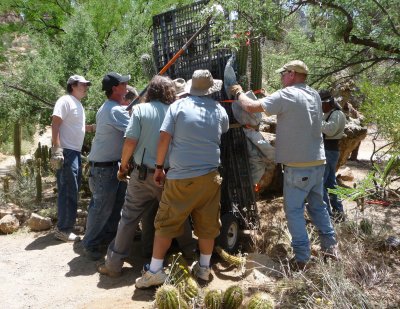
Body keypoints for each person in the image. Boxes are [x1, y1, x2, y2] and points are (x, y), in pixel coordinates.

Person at [229, 60, 337, 270]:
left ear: (291, 74)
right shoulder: (314, 94)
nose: (281, 78)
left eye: (283, 74)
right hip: (318, 162)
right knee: (318, 207)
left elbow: (251, 106)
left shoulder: (287, 94)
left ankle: (302, 258)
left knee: (294, 211)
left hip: (298, 166)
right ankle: (330, 249)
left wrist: (238, 93)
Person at [135, 69, 229, 289]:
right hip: (210, 177)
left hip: (181, 177)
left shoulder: (177, 107)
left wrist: (159, 167)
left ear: (191, 87)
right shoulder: (218, 109)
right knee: (207, 224)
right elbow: (222, 130)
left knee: (166, 224)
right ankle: (204, 269)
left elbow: (164, 138)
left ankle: (155, 271)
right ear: (210, 90)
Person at [97, 75, 177, 277]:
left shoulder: (140, 110)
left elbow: (130, 142)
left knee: (129, 218)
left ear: (150, 91)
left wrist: (123, 167)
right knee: (172, 217)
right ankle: (186, 255)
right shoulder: (174, 112)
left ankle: (114, 265)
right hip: (167, 175)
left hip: (141, 175)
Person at [81, 72, 131, 260]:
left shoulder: (109, 108)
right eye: (123, 83)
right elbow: (134, 130)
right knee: (101, 208)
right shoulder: (115, 110)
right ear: (114, 89)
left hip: (108, 166)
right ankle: (91, 243)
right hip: (105, 168)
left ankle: (105, 240)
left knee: (112, 206)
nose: (126, 86)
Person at [51, 74, 93, 242]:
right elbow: (55, 123)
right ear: (73, 86)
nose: (85, 87)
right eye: (82, 84)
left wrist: (93, 127)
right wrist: (56, 149)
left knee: (70, 190)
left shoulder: (77, 104)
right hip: (66, 152)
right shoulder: (65, 100)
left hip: (73, 152)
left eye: (86, 85)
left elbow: (76, 127)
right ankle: (63, 229)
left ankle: (65, 226)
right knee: (68, 190)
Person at [320, 90, 347, 222]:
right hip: (330, 151)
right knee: (331, 183)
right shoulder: (331, 114)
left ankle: (327, 216)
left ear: (327, 103)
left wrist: (316, 119)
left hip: (328, 151)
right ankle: (338, 213)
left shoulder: (336, 114)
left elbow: (330, 131)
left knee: (322, 185)